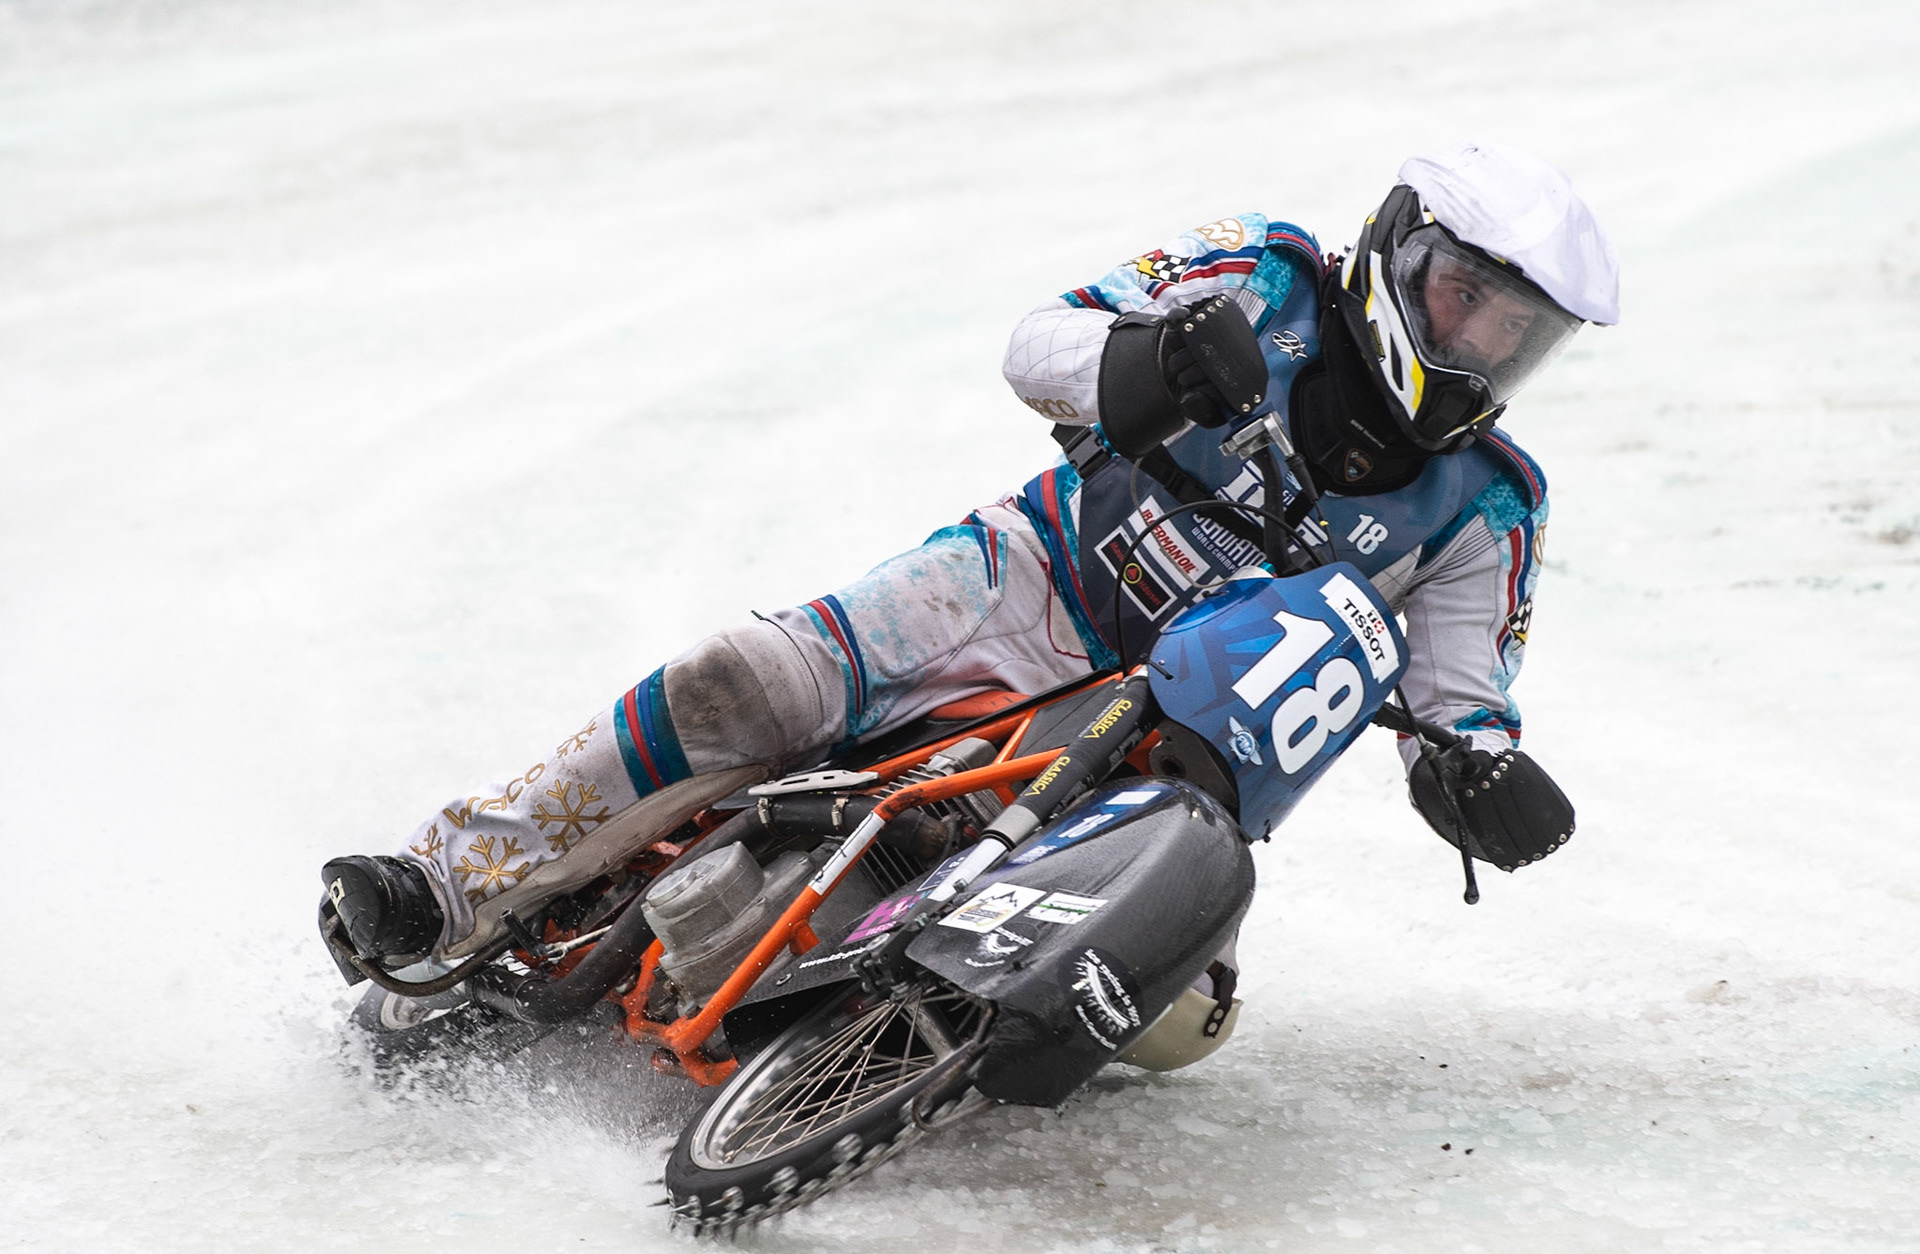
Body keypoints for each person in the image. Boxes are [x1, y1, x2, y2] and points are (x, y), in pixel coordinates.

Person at [321, 141, 1616, 971]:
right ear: (1402, 252)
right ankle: (447, 879)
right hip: (1023, 587)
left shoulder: (1487, 505)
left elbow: (1460, 693)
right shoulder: (1263, 278)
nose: (1483, 347)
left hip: (1186, 749)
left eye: (1518, 334)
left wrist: (1477, 768)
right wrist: (1152, 359)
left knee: (1174, 1015)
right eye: (1466, 301)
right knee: (745, 682)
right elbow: (1040, 341)